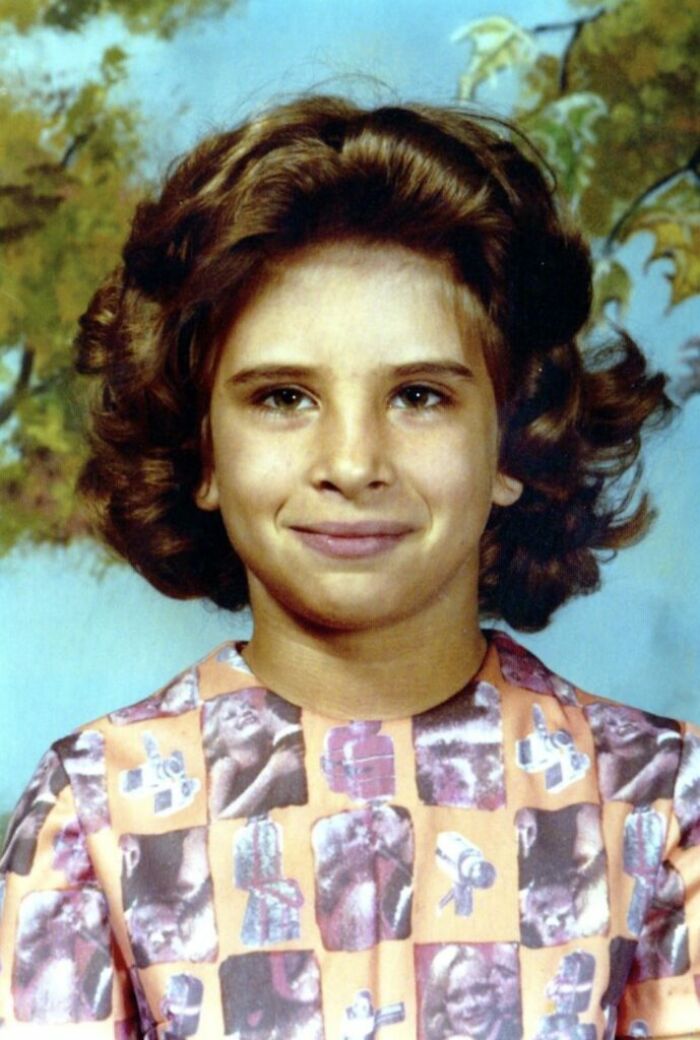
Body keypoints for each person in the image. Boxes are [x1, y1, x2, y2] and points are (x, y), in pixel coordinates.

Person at [0, 95, 698, 1038]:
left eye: (418, 395)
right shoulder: (92, 813)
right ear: (204, 452)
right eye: (284, 397)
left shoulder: (659, 803)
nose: (352, 461)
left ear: (509, 444)